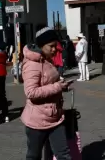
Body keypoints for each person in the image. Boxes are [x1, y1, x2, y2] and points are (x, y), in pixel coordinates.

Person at [21, 27, 73, 160]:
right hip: (37, 120)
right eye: (51, 46)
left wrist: (61, 85)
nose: (55, 49)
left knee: (63, 154)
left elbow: (47, 81)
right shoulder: (32, 64)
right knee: (34, 156)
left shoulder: (46, 59)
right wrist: (57, 87)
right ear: (41, 45)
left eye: (56, 45)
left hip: (55, 117)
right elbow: (31, 92)